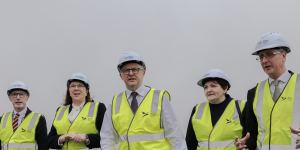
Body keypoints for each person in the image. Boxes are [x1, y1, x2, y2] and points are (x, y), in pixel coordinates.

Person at [100, 51, 187, 150]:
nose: (131, 73)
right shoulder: (115, 102)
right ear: (121, 76)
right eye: (126, 70)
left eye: (135, 69)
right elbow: (107, 137)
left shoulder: (159, 98)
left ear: (144, 72)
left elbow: (175, 135)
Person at [235, 32, 300, 150]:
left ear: (284, 56)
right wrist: (245, 146)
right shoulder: (254, 93)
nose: (264, 60)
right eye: (261, 57)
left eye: (269, 54)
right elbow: (251, 133)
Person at [186, 69, 245, 150]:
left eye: (213, 86)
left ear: (225, 88)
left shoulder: (241, 106)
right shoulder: (197, 109)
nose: (209, 90)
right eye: (205, 87)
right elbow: (190, 142)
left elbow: (250, 138)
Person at [48, 73, 106, 149]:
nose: (76, 88)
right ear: (69, 91)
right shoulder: (60, 110)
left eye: (80, 85)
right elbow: (49, 140)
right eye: (72, 86)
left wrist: (86, 138)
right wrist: (61, 138)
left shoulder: (98, 108)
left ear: (87, 90)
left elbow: (107, 137)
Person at [0, 81, 48, 150]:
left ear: (27, 97)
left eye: (21, 94)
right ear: (10, 98)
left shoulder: (39, 119)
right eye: (14, 94)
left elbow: (43, 147)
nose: (18, 97)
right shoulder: (2, 119)